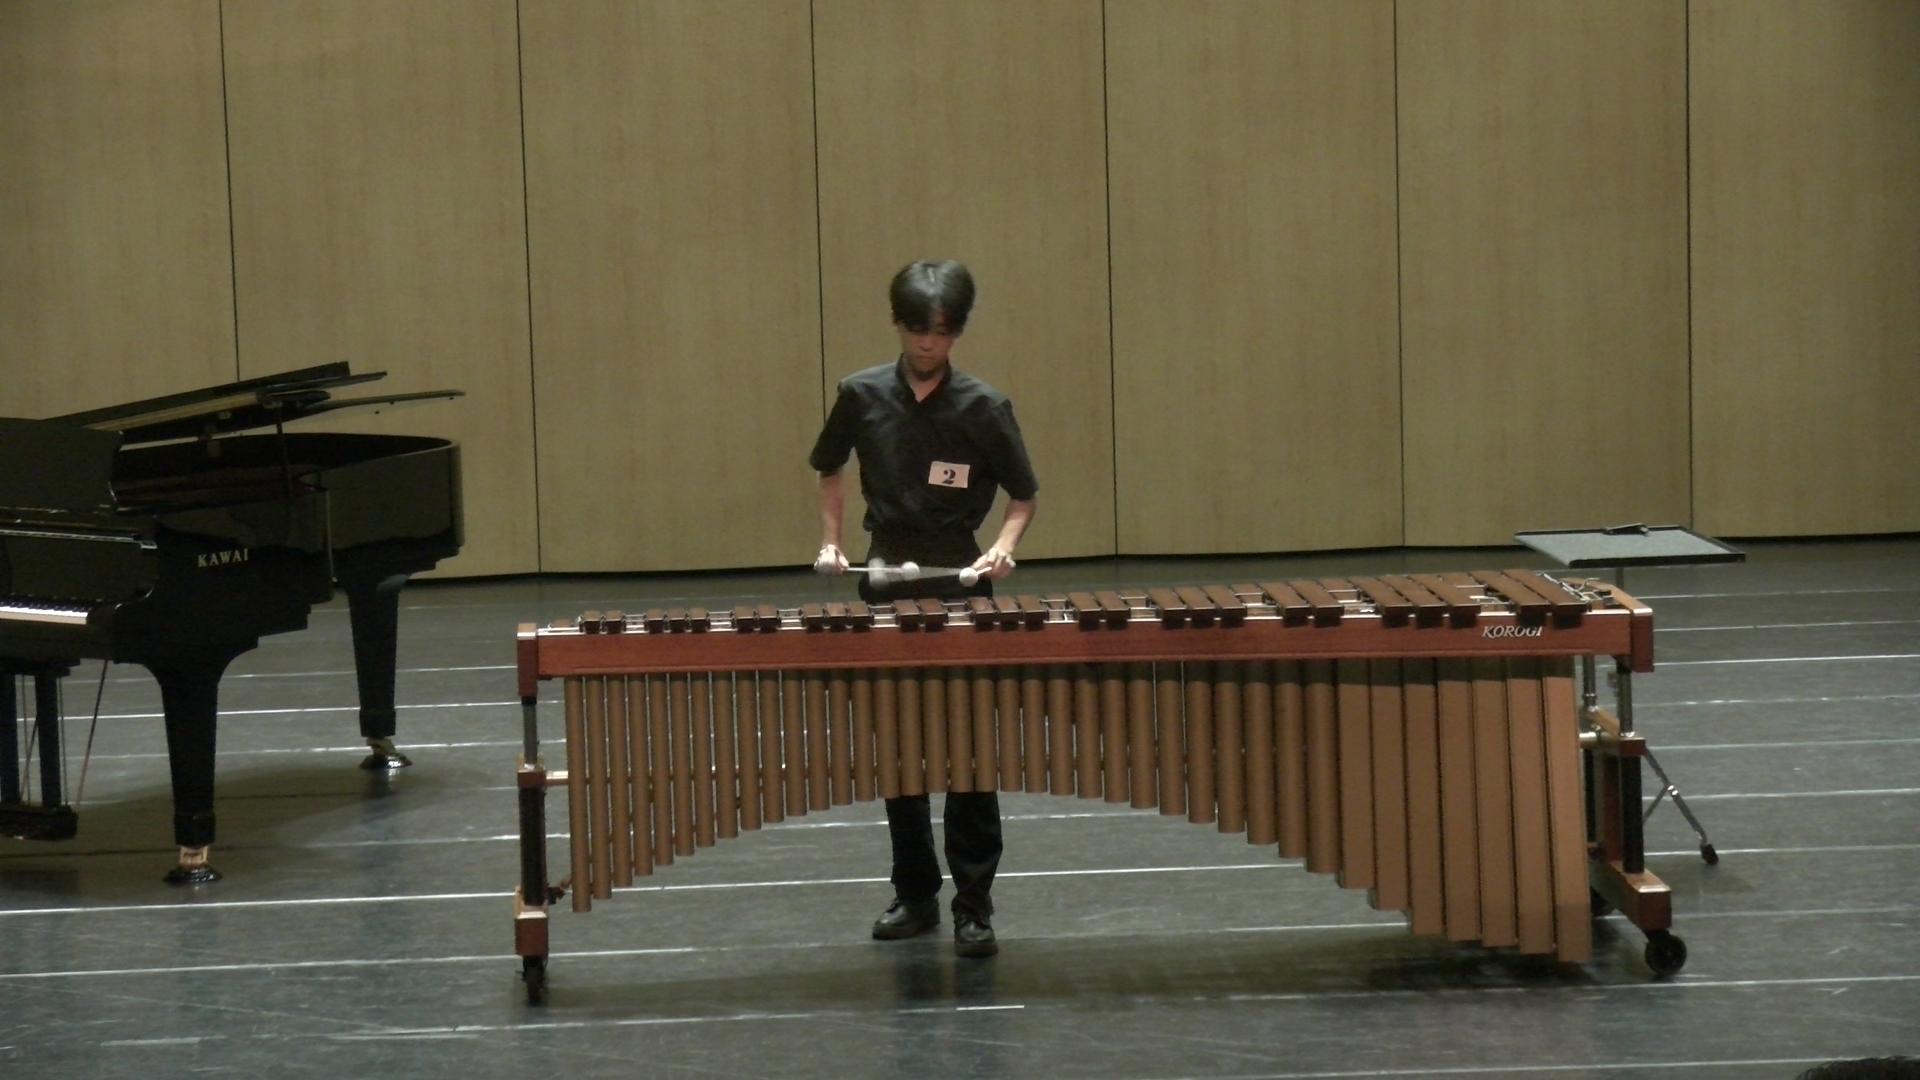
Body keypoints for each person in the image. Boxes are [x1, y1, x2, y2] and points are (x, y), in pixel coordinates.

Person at [808, 258, 1038, 958]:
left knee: (969, 753)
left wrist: (1001, 549)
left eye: (941, 331)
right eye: (917, 329)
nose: (928, 343)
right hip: (885, 580)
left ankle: (975, 905)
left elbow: (1023, 495)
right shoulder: (861, 394)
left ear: (957, 331)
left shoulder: (983, 407)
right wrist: (831, 541)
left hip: (960, 585)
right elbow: (828, 465)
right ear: (898, 324)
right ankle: (914, 894)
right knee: (899, 750)